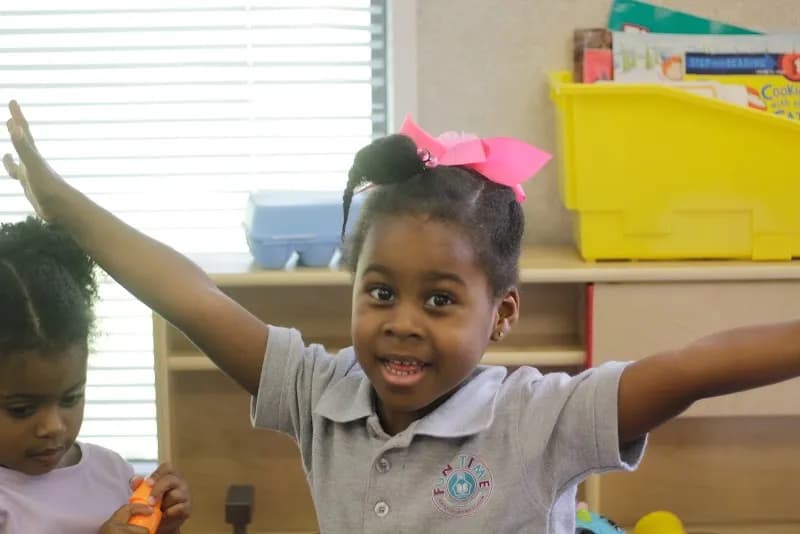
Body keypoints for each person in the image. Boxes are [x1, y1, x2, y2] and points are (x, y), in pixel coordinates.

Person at [5, 101, 800, 533]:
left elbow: (696, 365)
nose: (403, 321)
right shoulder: (321, 395)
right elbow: (191, 296)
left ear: (502, 316)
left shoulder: (540, 416)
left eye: (442, 299)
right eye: (381, 291)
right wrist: (68, 207)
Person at [0, 216, 191, 534]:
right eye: (22, 409)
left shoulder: (113, 472)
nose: (54, 427)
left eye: (71, 398)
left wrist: (162, 526)